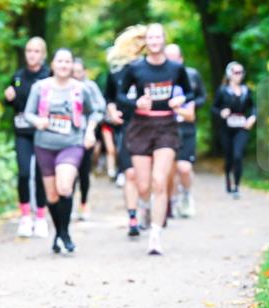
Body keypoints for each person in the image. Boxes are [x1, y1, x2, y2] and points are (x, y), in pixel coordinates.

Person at [117, 24, 194, 255]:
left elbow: (190, 92)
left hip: (166, 126)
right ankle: (145, 207)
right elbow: (120, 96)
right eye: (150, 37)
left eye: (158, 37)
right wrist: (135, 103)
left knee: (159, 181)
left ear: (163, 39)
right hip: (141, 126)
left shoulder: (175, 69)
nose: (154, 41)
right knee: (143, 186)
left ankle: (155, 234)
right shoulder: (135, 68)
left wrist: (179, 101)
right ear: (145, 41)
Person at [23, 49, 103, 254]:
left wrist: (90, 131)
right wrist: (37, 121)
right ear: (53, 64)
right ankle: (58, 233)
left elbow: (94, 111)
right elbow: (28, 113)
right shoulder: (40, 87)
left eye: (67, 61)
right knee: (51, 195)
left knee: (65, 187)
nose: (64, 65)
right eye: (60, 61)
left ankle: (65, 233)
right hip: (45, 145)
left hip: (71, 143)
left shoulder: (79, 88)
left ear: (71, 66)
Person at [4, 38, 51, 238]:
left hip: (42, 132)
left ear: (43, 54)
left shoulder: (49, 75)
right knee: (24, 173)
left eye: (36, 51)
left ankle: (40, 217)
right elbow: (11, 102)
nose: (32, 54)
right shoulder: (17, 76)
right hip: (22, 131)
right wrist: (8, 98)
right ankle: (25, 217)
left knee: (41, 174)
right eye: (29, 50)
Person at [104, 25, 147, 236]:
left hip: (151, 126)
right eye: (137, 39)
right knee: (130, 173)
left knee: (146, 177)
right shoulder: (116, 70)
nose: (141, 44)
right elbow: (109, 97)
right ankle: (133, 217)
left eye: (144, 40)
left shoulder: (152, 66)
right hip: (126, 126)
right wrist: (111, 110)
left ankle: (149, 207)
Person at [164, 44, 206, 217]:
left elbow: (201, 96)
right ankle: (171, 201)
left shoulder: (192, 76)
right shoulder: (158, 78)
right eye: (168, 57)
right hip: (166, 128)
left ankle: (187, 195)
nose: (172, 61)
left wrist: (192, 106)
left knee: (184, 168)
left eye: (175, 57)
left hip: (187, 127)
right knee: (170, 170)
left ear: (181, 59)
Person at [212, 61, 256, 198]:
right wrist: (221, 113)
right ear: (229, 74)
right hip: (226, 128)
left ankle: (236, 186)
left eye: (241, 72)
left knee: (238, 155)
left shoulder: (246, 90)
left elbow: (254, 106)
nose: (239, 75)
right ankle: (228, 181)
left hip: (242, 127)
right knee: (229, 157)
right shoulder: (222, 90)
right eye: (236, 72)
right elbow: (213, 108)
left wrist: (253, 117)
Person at [72, 57, 106, 220]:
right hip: (68, 136)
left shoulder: (90, 87)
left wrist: (92, 126)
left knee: (83, 172)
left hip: (86, 134)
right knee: (69, 172)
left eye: (79, 71)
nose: (76, 75)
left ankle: (84, 203)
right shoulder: (64, 86)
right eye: (74, 72)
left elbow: (100, 108)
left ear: (84, 72)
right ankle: (68, 204)